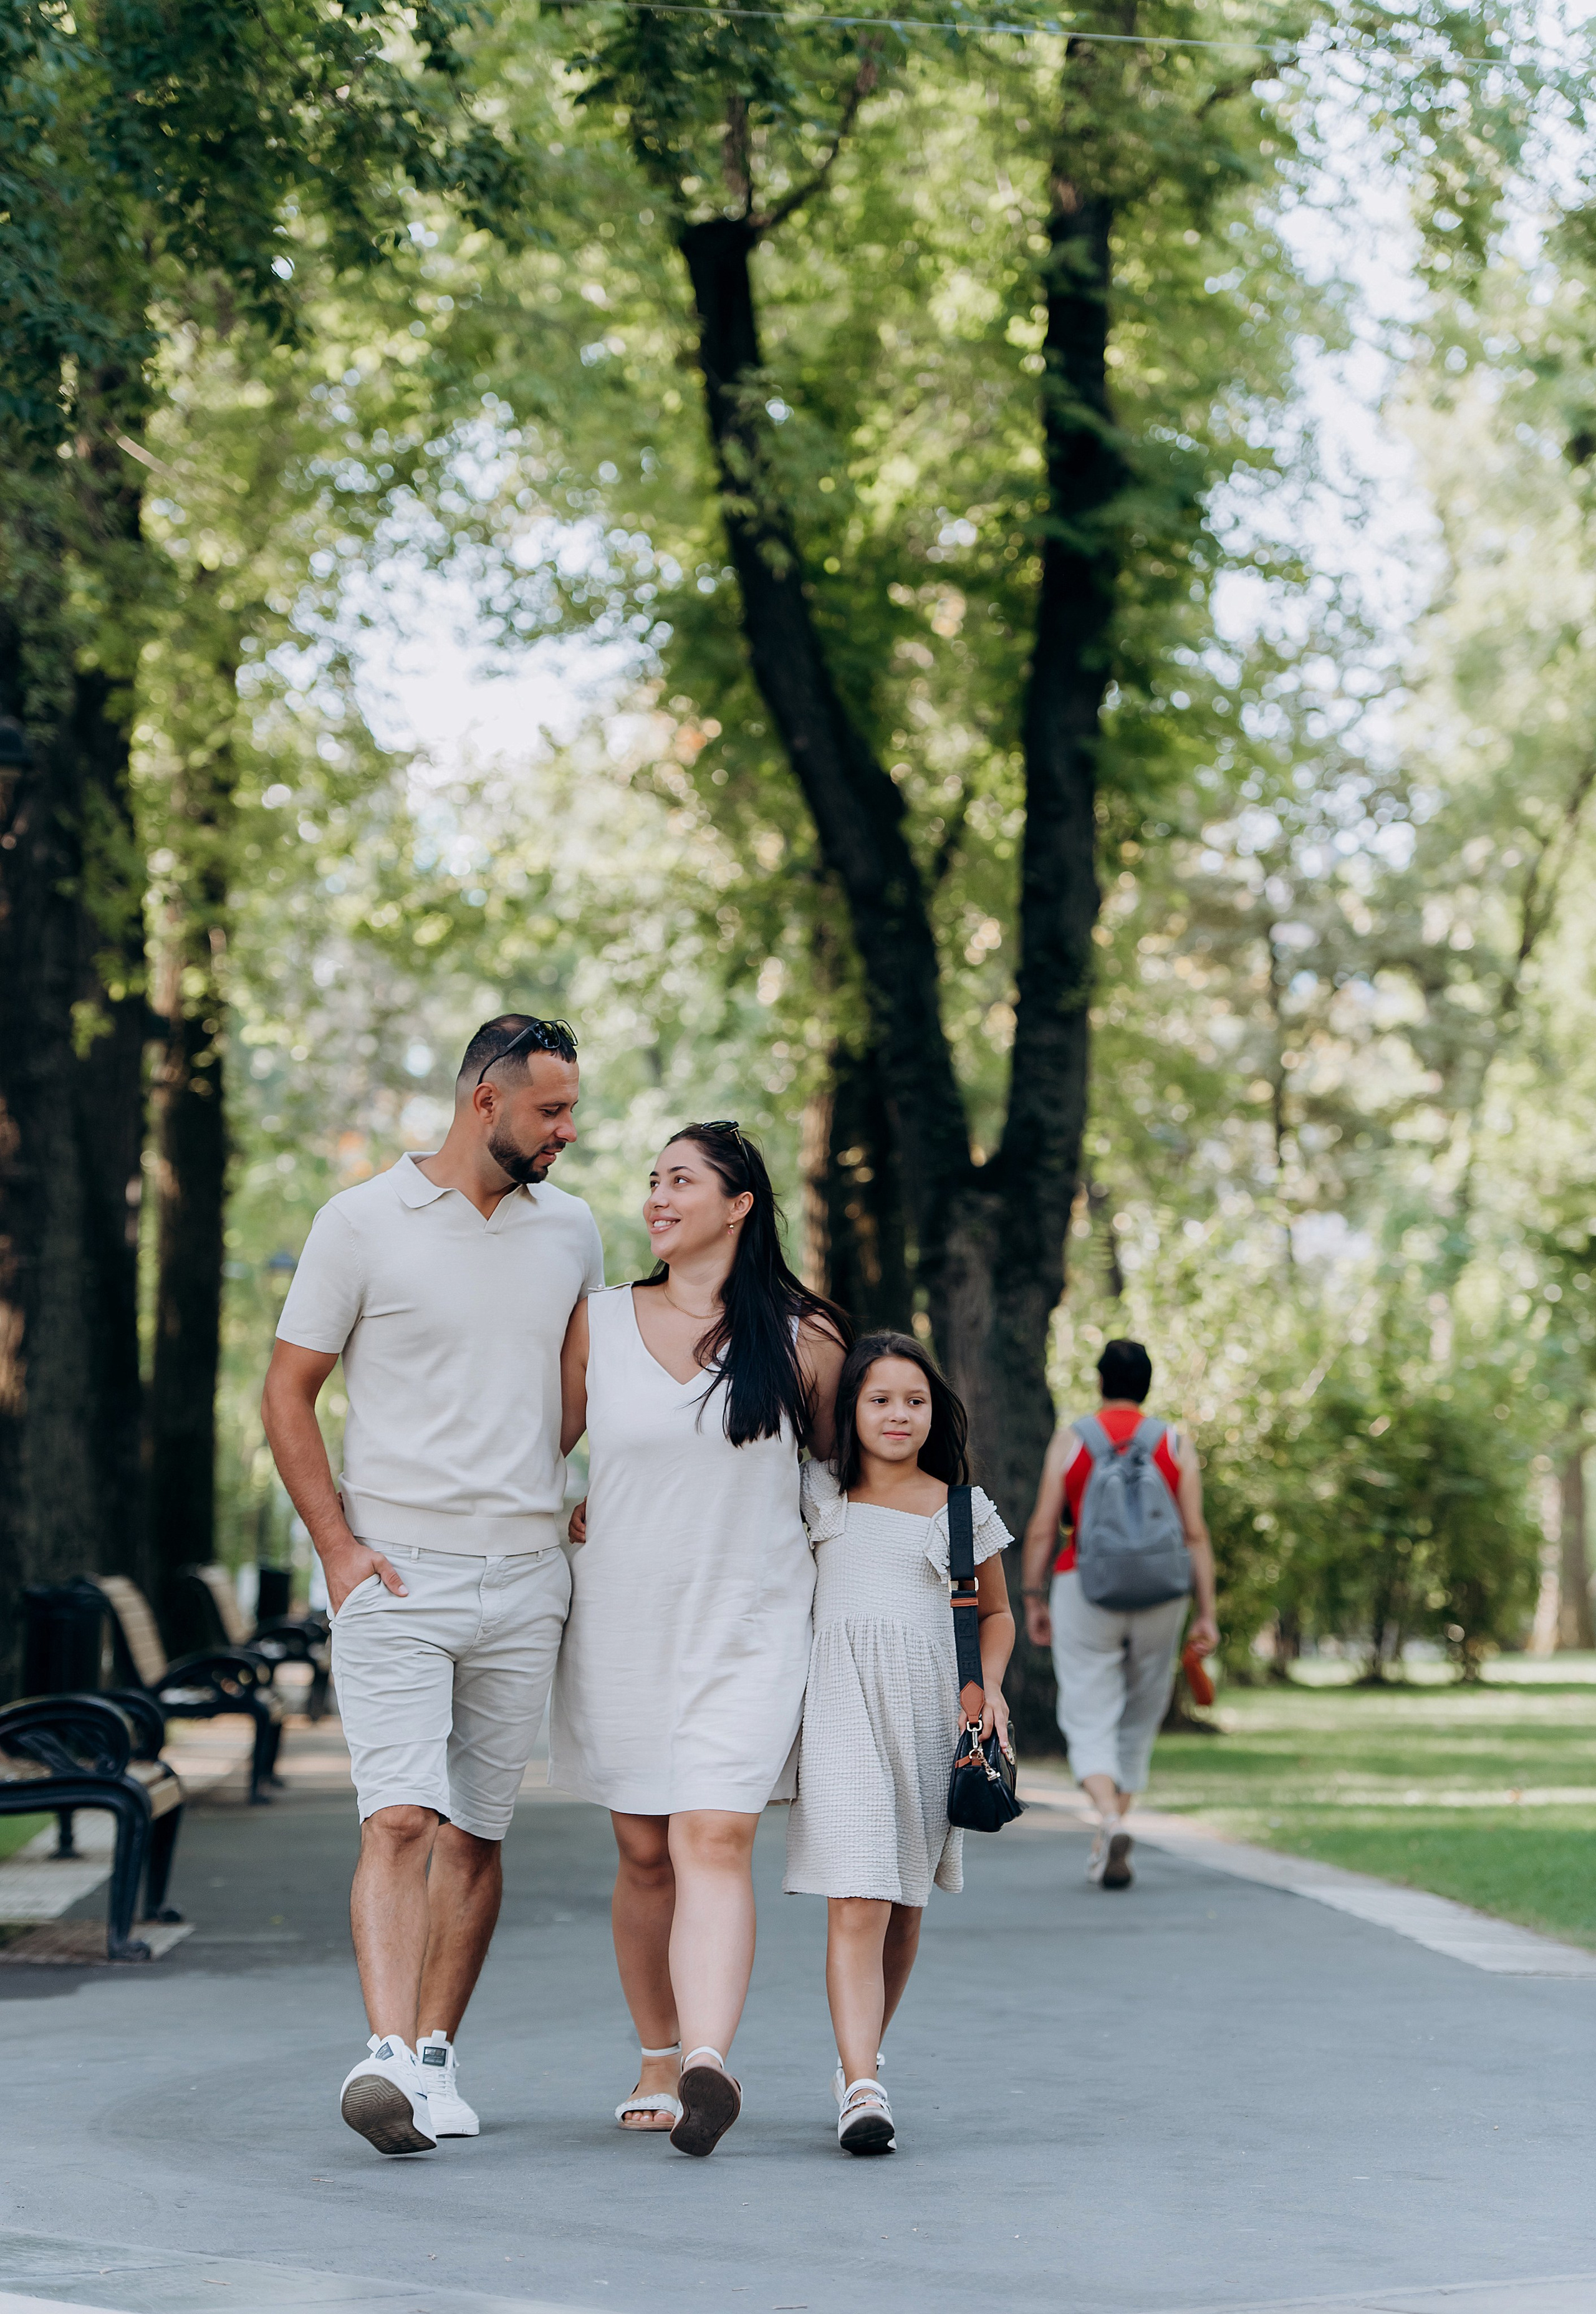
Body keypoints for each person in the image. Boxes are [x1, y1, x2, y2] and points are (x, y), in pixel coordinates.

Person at [261, 1015, 603, 2157]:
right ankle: (387, 2055)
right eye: (550, 1109)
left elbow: (580, 1397)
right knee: (400, 1814)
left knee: (476, 1830)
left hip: (527, 1569)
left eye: (569, 1108)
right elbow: (287, 1392)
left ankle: (438, 2054)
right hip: (396, 1570)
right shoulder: (359, 1222)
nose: (567, 1129)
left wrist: (598, 1503)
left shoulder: (574, 1231)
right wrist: (338, 1549)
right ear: (484, 1102)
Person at [549, 1121, 848, 2158]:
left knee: (713, 1837)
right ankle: (657, 2052)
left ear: (740, 1203)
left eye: (681, 1180)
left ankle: (709, 2061)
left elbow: (852, 1481)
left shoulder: (806, 1337)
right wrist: (571, 1513)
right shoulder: (596, 1321)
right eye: (652, 1181)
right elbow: (541, 1456)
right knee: (643, 1852)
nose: (657, 1198)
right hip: (626, 1622)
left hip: (750, 1626)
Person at [784, 1332, 1014, 2156]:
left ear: (934, 1413)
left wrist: (985, 1688)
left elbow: (996, 1615)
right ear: (851, 1408)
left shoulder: (961, 1507)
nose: (898, 1414)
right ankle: (863, 2087)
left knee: (905, 1908)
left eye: (915, 1400)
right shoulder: (816, 1496)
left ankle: (861, 2055)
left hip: (928, 1716)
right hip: (841, 1707)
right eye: (880, 1398)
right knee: (859, 1896)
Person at [1019, 1337, 1218, 1889]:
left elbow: (1042, 1526)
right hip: (1163, 1591)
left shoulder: (1072, 1439)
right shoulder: (1173, 1441)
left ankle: (1107, 1819)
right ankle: (1116, 1825)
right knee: (1141, 1710)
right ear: (1147, 1384)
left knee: (1087, 1708)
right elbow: (1195, 1533)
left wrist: (1033, 1596)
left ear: (1101, 1381)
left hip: (1083, 1583)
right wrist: (1207, 1611)